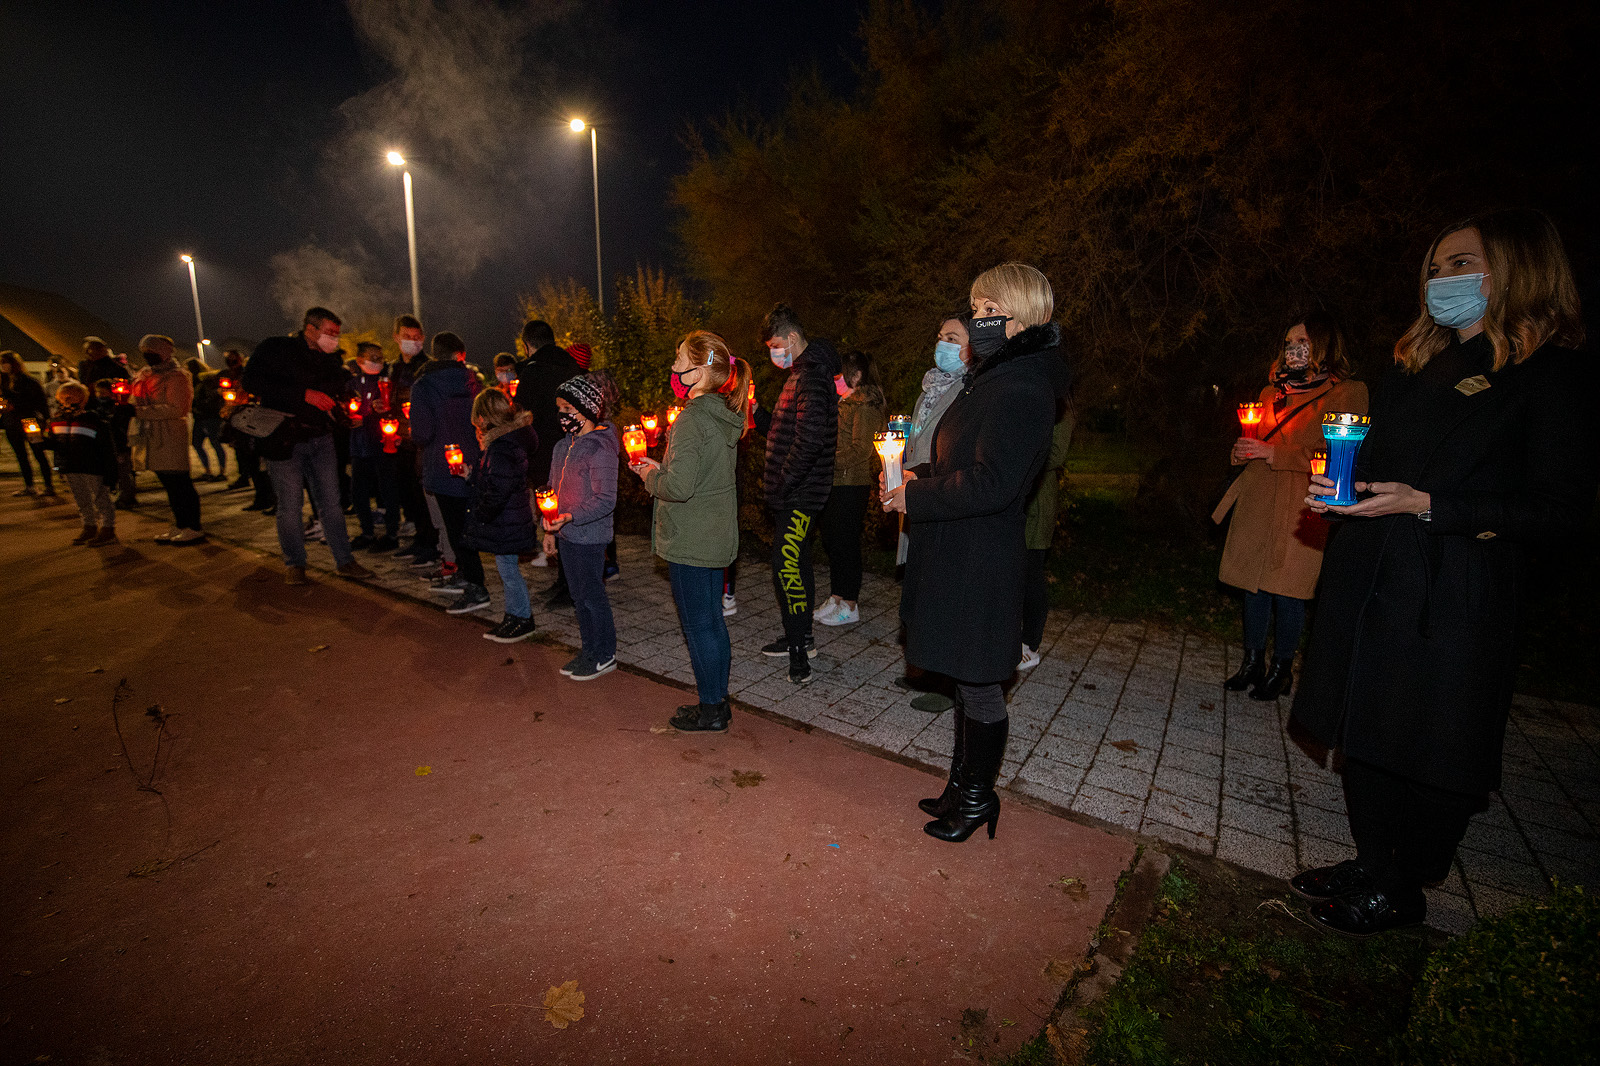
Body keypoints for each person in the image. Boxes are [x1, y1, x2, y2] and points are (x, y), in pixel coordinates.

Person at [1289, 209, 1595, 936]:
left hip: (1454, 590)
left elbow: (1560, 511)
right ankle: (1372, 860)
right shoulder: (1414, 367)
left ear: (1517, 269)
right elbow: (1382, 466)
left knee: (1426, 741)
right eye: (1434, 268)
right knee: (1364, 727)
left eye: (1460, 265)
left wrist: (1433, 506)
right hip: (1374, 577)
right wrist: (1342, 490)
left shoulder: (1548, 376)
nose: (1440, 280)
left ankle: (1403, 884)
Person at [883, 263, 1070, 843]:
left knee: (982, 682)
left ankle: (977, 798)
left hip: (981, 559)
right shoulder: (992, 378)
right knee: (966, 680)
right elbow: (964, 459)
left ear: (1023, 318)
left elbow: (995, 483)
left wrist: (918, 495)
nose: (977, 320)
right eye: (976, 308)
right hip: (959, 548)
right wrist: (919, 475)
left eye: (990, 310)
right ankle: (960, 785)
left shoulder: (1023, 387)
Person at [1211, 313, 1368, 699]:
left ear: (1324, 346)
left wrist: (1273, 453)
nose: (1293, 349)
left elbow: (1340, 455)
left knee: (1289, 588)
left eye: (1303, 342)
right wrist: (1241, 451)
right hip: (1259, 496)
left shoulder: (1347, 392)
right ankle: (1252, 662)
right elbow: (1256, 440)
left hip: (1302, 502)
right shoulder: (1271, 392)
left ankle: (1282, 669)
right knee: (1253, 584)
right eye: (1288, 343)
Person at [630, 330, 753, 730]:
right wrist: (663, 468)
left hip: (691, 539)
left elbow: (679, 488)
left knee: (699, 627)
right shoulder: (720, 413)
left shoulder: (692, 419)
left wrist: (649, 476)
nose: (673, 366)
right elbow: (700, 475)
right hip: (714, 534)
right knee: (712, 622)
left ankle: (711, 709)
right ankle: (718, 701)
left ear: (698, 372)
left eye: (680, 359)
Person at [241, 308, 374, 585]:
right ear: (310, 329)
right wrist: (303, 394)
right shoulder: (276, 348)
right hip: (283, 438)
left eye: (337, 333)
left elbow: (338, 386)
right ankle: (295, 564)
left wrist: (347, 407)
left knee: (331, 503)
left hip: (321, 437)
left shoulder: (329, 359)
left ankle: (345, 560)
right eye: (330, 332)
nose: (334, 338)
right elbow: (252, 381)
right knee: (290, 505)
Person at [754, 303, 840, 683]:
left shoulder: (812, 378)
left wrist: (783, 482)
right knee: (798, 565)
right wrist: (756, 413)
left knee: (785, 568)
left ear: (791, 337)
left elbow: (809, 440)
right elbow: (783, 430)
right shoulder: (800, 375)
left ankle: (799, 656)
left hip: (801, 495)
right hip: (795, 493)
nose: (774, 353)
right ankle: (800, 637)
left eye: (776, 345)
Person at [543, 373, 621, 678]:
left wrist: (572, 515)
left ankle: (605, 653)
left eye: (567, 409)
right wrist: (548, 528)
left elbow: (606, 499)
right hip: (565, 534)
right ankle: (589, 649)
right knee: (578, 596)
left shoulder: (599, 448)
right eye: (559, 409)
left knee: (592, 595)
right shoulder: (562, 447)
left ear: (587, 409)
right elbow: (551, 491)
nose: (562, 415)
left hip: (590, 535)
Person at [411, 331, 489, 611]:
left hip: (442, 465)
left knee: (456, 529)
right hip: (474, 462)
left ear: (435, 354)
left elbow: (422, 433)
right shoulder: (474, 382)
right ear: (461, 355)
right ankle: (466, 576)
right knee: (466, 524)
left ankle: (476, 587)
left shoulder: (423, 385)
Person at [816, 349, 886, 626]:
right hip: (835, 482)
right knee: (833, 542)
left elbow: (861, 450)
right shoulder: (843, 404)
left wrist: (826, 459)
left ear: (855, 376)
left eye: (839, 376)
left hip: (851, 484)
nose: (834, 381)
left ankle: (850, 604)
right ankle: (836, 597)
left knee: (846, 544)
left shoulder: (865, 406)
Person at [462, 387, 540, 636]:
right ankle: (514, 615)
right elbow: (497, 478)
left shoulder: (502, 446)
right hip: (509, 516)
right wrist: (472, 475)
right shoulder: (508, 440)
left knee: (509, 571)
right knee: (507, 569)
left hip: (506, 518)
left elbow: (499, 488)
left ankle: (522, 617)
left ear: (483, 417)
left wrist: (482, 515)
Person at [514, 320, 580, 580]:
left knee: (553, 510)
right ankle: (569, 576)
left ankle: (566, 579)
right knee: (571, 509)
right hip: (574, 447)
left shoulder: (532, 372)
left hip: (543, 452)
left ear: (527, 345)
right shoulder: (572, 366)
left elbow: (522, 415)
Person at [1018, 391, 1076, 671]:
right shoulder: (1029, 399)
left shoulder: (1062, 410)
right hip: (1018, 498)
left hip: (1038, 502)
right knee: (1014, 574)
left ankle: (1030, 645)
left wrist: (1015, 453)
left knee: (1031, 575)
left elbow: (1055, 454)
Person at [130, 335, 204, 544]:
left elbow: (177, 408)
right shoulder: (144, 374)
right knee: (169, 484)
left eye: (152, 352)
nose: (147, 356)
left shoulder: (177, 377)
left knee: (180, 483)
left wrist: (139, 411)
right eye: (145, 352)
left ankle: (193, 526)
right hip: (152, 434)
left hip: (170, 434)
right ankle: (180, 524)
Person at [388, 314, 439, 565]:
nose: (413, 341)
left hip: (421, 441)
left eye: (417, 337)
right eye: (407, 336)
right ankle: (420, 538)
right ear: (396, 338)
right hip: (400, 440)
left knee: (424, 495)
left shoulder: (427, 367)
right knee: (409, 494)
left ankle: (432, 543)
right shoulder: (394, 369)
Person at [45, 381, 119, 545]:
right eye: (64, 396)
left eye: (72, 395)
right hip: (70, 466)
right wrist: (37, 440)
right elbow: (54, 444)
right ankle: (89, 526)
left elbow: (106, 447)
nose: (67, 399)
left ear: (83, 399)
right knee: (81, 498)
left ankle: (107, 529)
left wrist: (111, 472)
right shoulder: (57, 420)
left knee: (100, 498)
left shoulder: (93, 420)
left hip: (92, 466)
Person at [347, 342, 400, 552]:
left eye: (380, 358)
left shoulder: (387, 383)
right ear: (360, 360)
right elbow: (346, 408)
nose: (378, 362)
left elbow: (393, 410)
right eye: (373, 358)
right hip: (359, 446)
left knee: (388, 490)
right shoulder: (352, 383)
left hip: (382, 445)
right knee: (358, 492)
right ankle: (367, 532)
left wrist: (370, 416)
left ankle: (392, 533)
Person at [1, 350, 59, 499]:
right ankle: (29, 486)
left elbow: (38, 402)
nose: (2, 366)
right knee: (21, 455)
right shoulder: (4, 382)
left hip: (29, 421)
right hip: (11, 423)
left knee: (38, 452)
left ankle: (49, 486)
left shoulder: (28, 381)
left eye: (5, 362)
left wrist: (46, 420)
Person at [90, 378, 138, 508]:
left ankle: (127, 496)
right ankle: (122, 494)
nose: (100, 395)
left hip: (120, 444)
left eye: (103, 392)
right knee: (116, 471)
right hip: (108, 445)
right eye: (98, 392)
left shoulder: (121, 407)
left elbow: (122, 425)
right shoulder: (97, 407)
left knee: (124, 472)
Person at [186, 357, 228, 482]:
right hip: (200, 417)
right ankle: (207, 471)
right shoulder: (194, 382)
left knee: (215, 443)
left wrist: (199, 406)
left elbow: (211, 398)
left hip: (210, 417)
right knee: (197, 443)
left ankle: (221, 472)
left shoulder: (206, 381)